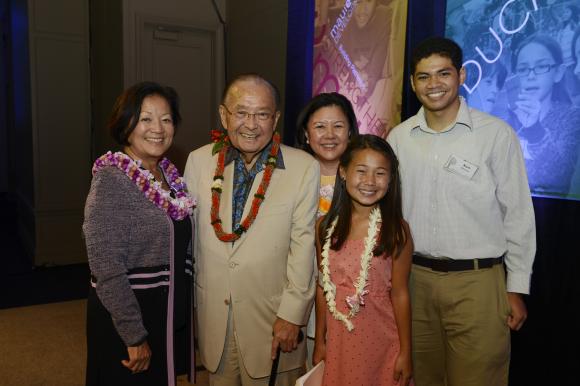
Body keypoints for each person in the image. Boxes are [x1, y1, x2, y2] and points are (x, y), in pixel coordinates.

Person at [387, 37, 536, 386]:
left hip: (478, 283)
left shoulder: (496, 135)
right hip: (415, 282)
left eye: (443, 74)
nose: (434, 84)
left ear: (462, 75)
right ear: (412, 83)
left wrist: (516, 287)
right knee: (419, 378)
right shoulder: (398, 138)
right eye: (424, 77)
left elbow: (517, 215)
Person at [183, 74, 319, 385]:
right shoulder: (198, 161)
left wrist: (292, 315)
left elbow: (303, 246)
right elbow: (188, 242)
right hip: (214, 316)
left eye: (262, 114)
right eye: (241, 112)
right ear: (223, 115)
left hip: (272, 321)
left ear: (276, 119)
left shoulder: (302, 167)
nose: (251, 124)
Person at [83, 81, 196, 386]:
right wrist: (133, 334)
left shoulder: (170, 179)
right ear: (126, 124)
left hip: (164, 311)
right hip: (127, 317)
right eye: (145, 118)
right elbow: (106, 266)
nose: (157, 128)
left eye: (166, 119)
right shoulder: (111, 180)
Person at [312, 134, 413, 386]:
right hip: (338, 341)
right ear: (344, 172)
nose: (370, 181)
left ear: (390, 180)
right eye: (361, 171)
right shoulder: (324, 227)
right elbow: (323, 289)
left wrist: (406, 352)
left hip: (381, 339)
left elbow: (400, 294)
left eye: (380, 173)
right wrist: (320, 341)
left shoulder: (396, 231)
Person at [295, 92, 359, 369]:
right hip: (302, 292)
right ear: (306, 134)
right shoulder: (292, 177)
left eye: (338, 126)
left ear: (351, 132)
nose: (329, 135)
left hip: (354, 296)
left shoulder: (365, 180)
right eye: (320, 126)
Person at [503, 34, 580, 196]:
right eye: (523, 69)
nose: (531, 76)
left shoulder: (572, 118)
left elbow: (559, 177)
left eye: (541, 66)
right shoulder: (506, 120)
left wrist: (534, 130)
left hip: (551, 213)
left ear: (558, 72)